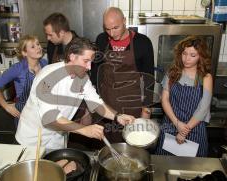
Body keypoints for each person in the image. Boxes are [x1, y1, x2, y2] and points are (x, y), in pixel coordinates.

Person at [15, 37, 135, 150]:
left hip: (56, 139)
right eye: (86, 61)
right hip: (32, 140)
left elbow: (96, 103)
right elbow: (50, 119)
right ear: (72, 56)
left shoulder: (82, 78)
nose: (89, 67)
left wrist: (117, 116)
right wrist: (84, 129)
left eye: (91, 62)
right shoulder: (48, 77)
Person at [90, 7, 154, 143]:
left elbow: (149, 79)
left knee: (130, 145)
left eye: (115, 28)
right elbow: (95, 71)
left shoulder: (142, 43)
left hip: (131, 106)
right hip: (106, 105)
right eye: (107, 29)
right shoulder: (101, 40)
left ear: (124, 21)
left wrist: (146, 111)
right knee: (107, 146)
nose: (112, 33)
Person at [155, 36, 213, 157]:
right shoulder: (172, 73)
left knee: (193, 168)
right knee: (165, 162)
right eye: (184, 54)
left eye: (193, 55)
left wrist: (184, 131)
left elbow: (203, 107)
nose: (187, 59)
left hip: (194, 127)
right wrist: (177, 123)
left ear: (200, 57)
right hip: (171, 124)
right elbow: (164, 99)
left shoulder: (206, 77)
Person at [0, 35, 47, 128]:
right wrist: (6, 107)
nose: (38, 47)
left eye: (38, 44)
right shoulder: (18, 69)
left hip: (42, 112)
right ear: (24, 52)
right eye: (33, 46)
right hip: (25, 114)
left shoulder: (44, 63)